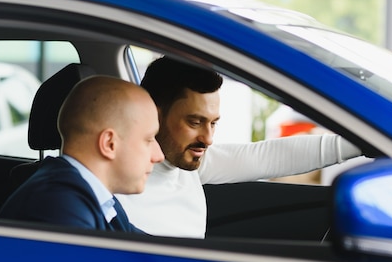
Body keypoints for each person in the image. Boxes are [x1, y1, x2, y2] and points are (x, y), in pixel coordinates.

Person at [117, 56, 365, 238]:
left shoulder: (187, 162)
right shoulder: (109, 182)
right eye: (195, 122)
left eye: (213, 123)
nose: (208, 138)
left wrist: (363, 143)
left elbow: (266, 157)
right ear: (154, 114)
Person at [0, 75, 164, 232]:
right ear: (109, 144)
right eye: (148, 140)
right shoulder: (58, 206)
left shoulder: (101, 201)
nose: (158, 156)